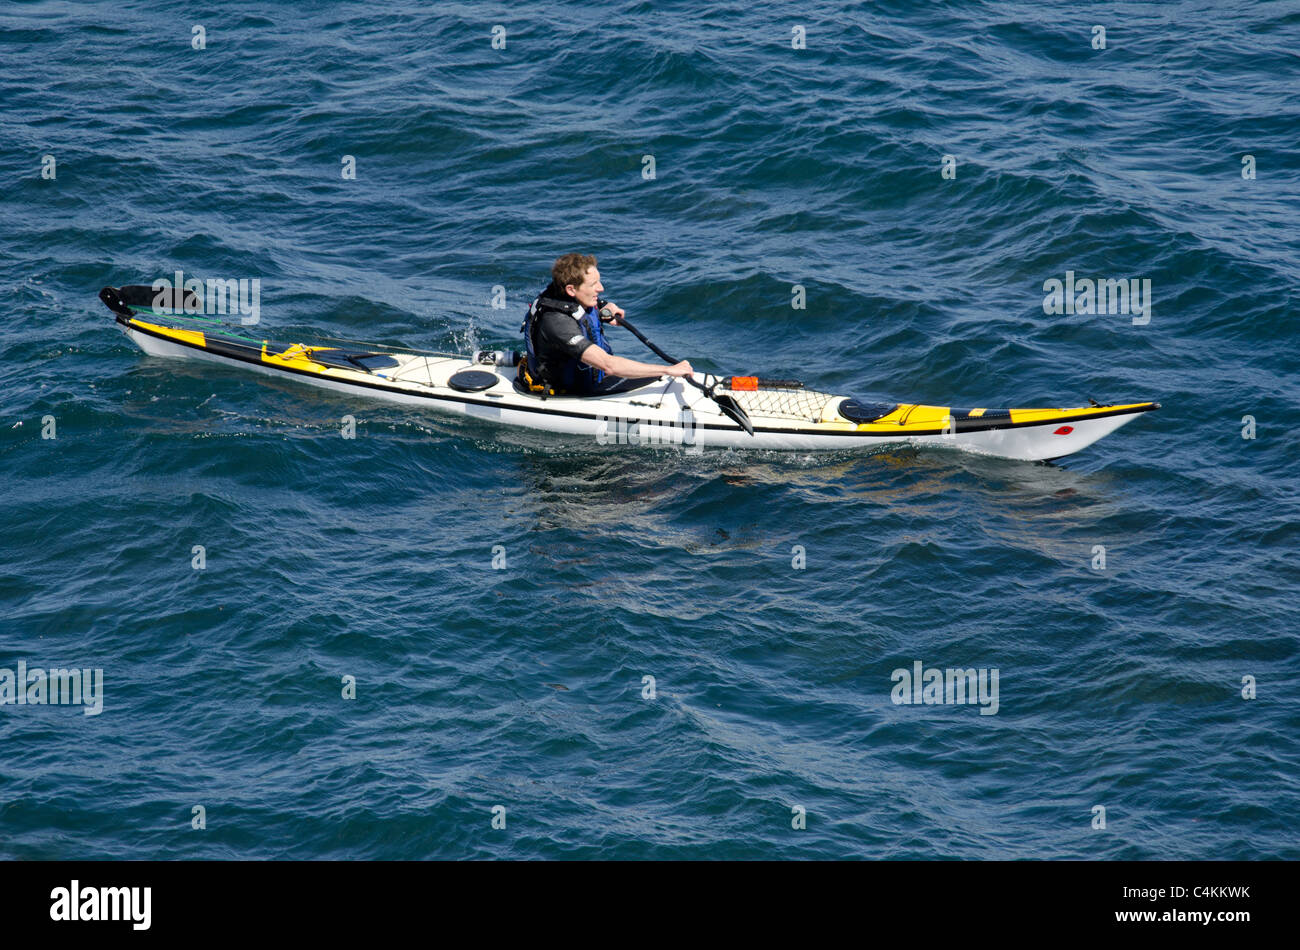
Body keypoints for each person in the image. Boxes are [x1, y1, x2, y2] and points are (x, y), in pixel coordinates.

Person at [519, 254, 693, 396]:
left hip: (590, 377)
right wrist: (668, 370)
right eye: (594, 284)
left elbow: (579, 308)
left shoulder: (564, 293)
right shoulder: (557, 324)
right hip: (566, 390)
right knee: (657, 374)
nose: (601, 288)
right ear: (571, 289)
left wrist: (603, 308)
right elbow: (609, 365)